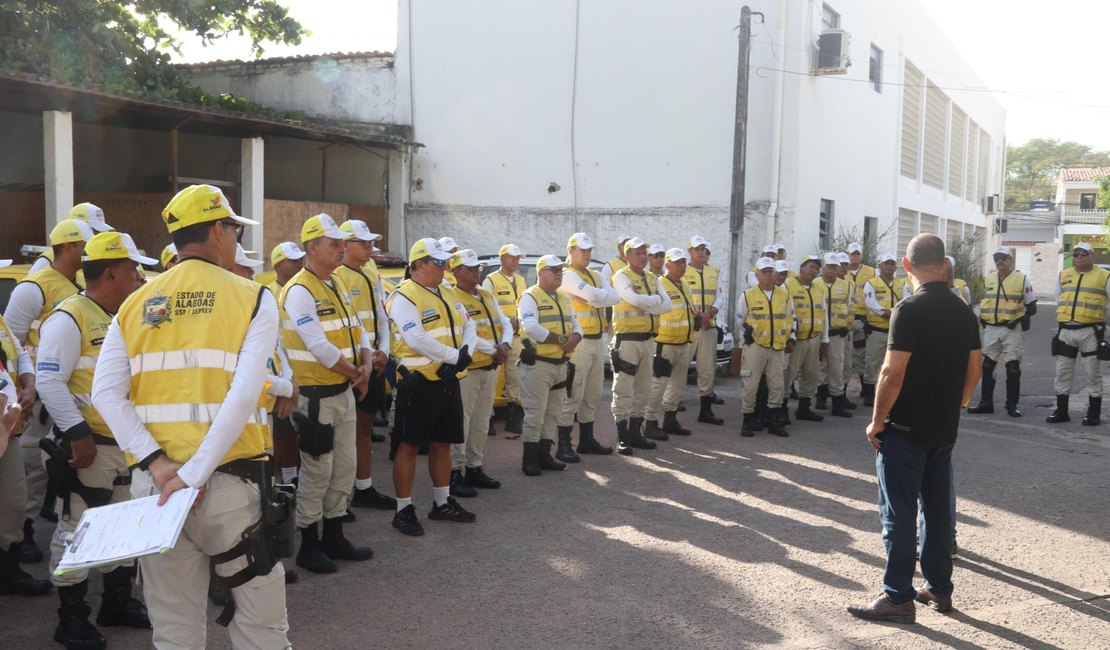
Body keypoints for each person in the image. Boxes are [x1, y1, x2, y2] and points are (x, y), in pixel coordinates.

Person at [92, 184, 291, 648]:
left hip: (156, 492)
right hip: (227, 489)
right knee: (259, 626)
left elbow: (105, 394)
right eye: (234, 229)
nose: (236, 240)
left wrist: (160, 466)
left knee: (175, 630)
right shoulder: (252, 296)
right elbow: (243, 396)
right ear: (219, 231)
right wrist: (194, 474)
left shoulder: (134, 303)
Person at [847, 234, 980, 624]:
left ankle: (898, 597)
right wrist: (955, 406)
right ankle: (939, 587)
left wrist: (877, 420)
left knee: (899, 514)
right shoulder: (963, 312)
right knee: (938, 512)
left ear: (907, 266)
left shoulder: (908, 309)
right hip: (943, 429)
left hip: (905, 429)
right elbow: (975, 369)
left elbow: (891, 371)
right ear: (943, 264)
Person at [37, 232, 153, 648]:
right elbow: (49, 380)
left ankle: (117, 602)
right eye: (132, 270)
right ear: (109, 274)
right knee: (76, 530)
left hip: (124, 446)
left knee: (124, 527)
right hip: (90, 448)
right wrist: (78, 434)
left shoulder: (126, 314)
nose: (139, 276)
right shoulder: (70, 317)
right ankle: (71, 619)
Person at [279, 213, 374, 574]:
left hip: (344, 390)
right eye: (334, 244)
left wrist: (364, 366)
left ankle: (334, 534)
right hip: (317, 396)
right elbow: (317, 346)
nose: (341, 249)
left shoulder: (335, 283)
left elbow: (358, 330)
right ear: (312, 247)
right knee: (318, 470)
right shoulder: (300, 291)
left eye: (341, 243)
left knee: (344, 466)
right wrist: (358, 373)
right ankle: (309, 543)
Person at [4, 217, 94, 563]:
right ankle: (22, 535)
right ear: (68, 247)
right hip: (38, 397)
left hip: (66, 393)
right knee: (32, 468)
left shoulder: (76, 284)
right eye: (85, 246)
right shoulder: (35, 287)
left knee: (55, 468)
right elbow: (10, 342)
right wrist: (26, 389)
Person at [386, 238, 478, 536]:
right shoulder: (403, 296)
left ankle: (441, 503)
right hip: (419, 383)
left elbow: (469, 327)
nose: (444, 267)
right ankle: (403, 509)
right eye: (438, 262)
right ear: (418, 265)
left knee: (443, 443)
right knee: (410, 445)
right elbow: (416, 339)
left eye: (445, 262)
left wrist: (464, 355)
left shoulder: (449, 292)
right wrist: (456, 356)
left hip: (449, 380)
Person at [335, 220, 396, 511]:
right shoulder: (337, 276)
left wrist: (383, 350)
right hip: (353, 367)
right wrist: (364, 359)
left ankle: (363, 486)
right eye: (363, 242)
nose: (369, 247)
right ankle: (340, 496)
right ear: (344, 245)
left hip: (373, 363)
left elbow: (382, 317)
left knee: (364, 427)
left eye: (370, 242)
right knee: (346, 433)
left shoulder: (371, 272)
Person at [0, 256, 50, 598]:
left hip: (9, 430)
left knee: (14, 504)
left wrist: (29, 386)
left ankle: (8, 571)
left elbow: (18, 354)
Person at [446, 250, 510, 492]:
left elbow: (504, 322)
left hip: (489, 367)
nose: (476, 272)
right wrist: (495, 349)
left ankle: (475, 467)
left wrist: (505, 344)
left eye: (477, 268)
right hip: (468, 371)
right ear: (456, 270)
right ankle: (454, 473)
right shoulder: (452, 297)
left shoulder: (485, 294)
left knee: (482, 422)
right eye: (471, 268)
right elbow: (466, 331)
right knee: (461, 422)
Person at [556, 233, 620, 457]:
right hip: (577, 342)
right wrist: (598, 296)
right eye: (582, 249)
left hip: (596, 339)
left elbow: (616, 297)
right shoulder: (566, 275)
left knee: (592, 393)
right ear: (570, 250)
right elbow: (598, 295)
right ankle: (564, 445)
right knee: (573, 392)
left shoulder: (593, 274)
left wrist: (595, 296)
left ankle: (586, 440)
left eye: (589, 249)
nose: (587, 253)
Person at [517, 255, 582, 475]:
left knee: (553, 412)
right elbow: (531, 327)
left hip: (560, 364)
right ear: (540, 273)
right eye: (553, 270)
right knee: (535, 413)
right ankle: (529, 459)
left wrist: (577, 336)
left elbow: (577, 325)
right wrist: (564, 340)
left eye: (560, 270)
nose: (558, 274)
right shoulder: (530, 296)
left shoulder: (563, 297)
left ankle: (544, 454)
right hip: (538, 365)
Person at [611, 238, 673, 454]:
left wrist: (649, 300)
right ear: (627, 256)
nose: (642, 257)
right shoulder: (621, 276)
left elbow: (668, 305)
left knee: (644, 388)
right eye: (637, 253)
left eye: (644, 252)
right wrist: (654, 300)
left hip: (648, 340)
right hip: (627, 340)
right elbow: (633, 300)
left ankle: (636, 434)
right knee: (624, 389)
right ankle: (622, 437)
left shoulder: (653, 278)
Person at [968, 247, 1037, 417]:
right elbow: (986, 301)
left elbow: (1032, 307)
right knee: (987, 365)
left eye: (1003, 258)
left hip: (1011, 329)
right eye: (996, 258)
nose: (1000, 261)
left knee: (1013, 367)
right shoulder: (989, 279)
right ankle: (985, 403)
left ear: (1011, 260)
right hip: (991, 327)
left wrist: (1019, 319)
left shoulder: (1022, 279)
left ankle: (1011, 405)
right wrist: (983, 319)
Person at [1046, 241, 1110, 425]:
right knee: (1062, 372)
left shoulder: (1104, 276)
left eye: (1084, 253)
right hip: (1066, 331)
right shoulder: (1063, 275)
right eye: (1076, 254)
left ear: (1092, 255)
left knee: (1092, 372)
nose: (1079, 257)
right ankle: (1061, 411)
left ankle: (1093, 413)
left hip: (1090, 331)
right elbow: (1058, 299)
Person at [738, 257, 794, 437]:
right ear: (757, 274)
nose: (768, 275)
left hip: (777, 347)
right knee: (751, 384)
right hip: (756, 346)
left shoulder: (784, 294)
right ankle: (748, 420)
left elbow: (789, 318)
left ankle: (775, 421)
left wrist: (788, 338)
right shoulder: (748, 295)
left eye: (771, 271)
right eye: (765, 271)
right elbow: (740, 319)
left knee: (777, 385)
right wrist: (748, 331)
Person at [645, 248, 696, 438]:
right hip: (664, 343)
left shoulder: (684, 284)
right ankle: (650, 423)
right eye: (677, 262)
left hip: (683, 343)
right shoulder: (659, 284)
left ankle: (669, 420)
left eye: (683, 262)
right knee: (658, 385)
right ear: (668, 265)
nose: (682, 266)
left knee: (677, 386)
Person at [482, 243, 526, 436]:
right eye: (511, 257)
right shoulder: (490, 281)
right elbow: (487, 307)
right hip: (498, 338)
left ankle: (513, 418)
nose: (515, 261)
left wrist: (519, 322)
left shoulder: (521, 280)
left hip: (517, 336)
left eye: (517, 258)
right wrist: (507, 323)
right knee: (495, 378)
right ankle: (489, 417)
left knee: (514, 376)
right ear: (502, 259)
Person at [683, 236, 726, 426]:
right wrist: (698, 317)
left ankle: (706, 410)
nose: (701, 253)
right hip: (687, 328)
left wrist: (710, 313)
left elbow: (720, 297)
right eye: (697, 249)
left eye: (704, 249)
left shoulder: (714, 272)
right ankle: (669, 409)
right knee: (679, 367)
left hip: (709, 327)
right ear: (690, 251)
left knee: (707, 369)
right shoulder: (681, 270)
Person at [783, 256, 829, 422]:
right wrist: (788, 338)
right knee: (789, 374)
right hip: (796, 340)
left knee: (811, 374)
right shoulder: (788, 285)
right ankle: (781, 409)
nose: (814, 271)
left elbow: (824, 315)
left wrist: (825, 340)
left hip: (814, 339)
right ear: (802, 268)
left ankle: (804, 408)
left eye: (817, 268)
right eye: (811, 267)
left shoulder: (818, 289)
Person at [861, 254, 907, 407]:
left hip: (895, 331)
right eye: (886, 264)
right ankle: (869, 394)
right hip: (877, 330)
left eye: (892, 264)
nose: (890, 267)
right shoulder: (871, 283)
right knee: (872, 362)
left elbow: (907, 300)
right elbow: (870, 302)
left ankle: (892, 392)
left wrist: (892, 312)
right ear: (880, 266)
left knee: (894, 364)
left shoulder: (902, 284)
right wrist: (883, 312)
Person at [814, 252, 854, 417]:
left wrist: (848, 326)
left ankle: (838, 402)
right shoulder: (815, 284)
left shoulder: (846, 285)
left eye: (834, 267)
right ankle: (820, 397)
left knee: (837, 367)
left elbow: (849, 307)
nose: (831, 270)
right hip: (818, 333)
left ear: (838, 268)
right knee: (820, 366)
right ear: (823, 267)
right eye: (829, 266)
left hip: (838, 333)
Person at [27, 203, 115, 276]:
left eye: (99, 231)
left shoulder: (92, 258)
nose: (96, 235)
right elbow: (31, 287)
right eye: (93, 230)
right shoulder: (48, 260)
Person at [847, 242, 876, 398]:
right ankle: (834, 392)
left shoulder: (871, 272)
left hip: (861, 320)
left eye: (857, 254)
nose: (855, 257)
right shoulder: (841, 270)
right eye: (852, 254)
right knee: (841, 357)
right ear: (848, 254)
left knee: (861, 354)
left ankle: (865, 389)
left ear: (862, 255)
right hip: (844, 321)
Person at [836, 252, 859, 408]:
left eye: (846, 265)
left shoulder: (850, 283)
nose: (843, 268)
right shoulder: (826, 283)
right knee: (829, 366)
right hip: (833, 331)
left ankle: (841, 395)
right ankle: (824, 397)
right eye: (841, 265)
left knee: (846, 364)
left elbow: (852, 305)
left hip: (848, 330)